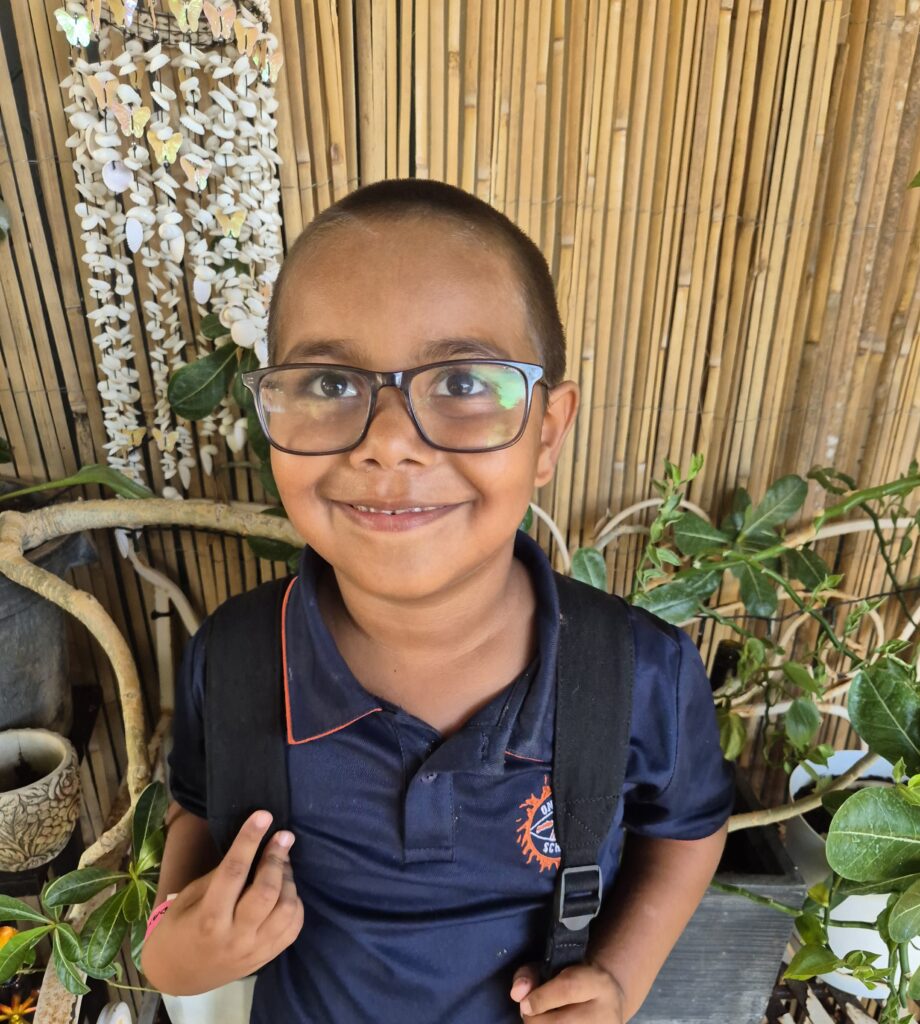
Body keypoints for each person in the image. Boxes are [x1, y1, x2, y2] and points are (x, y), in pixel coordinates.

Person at [141, 178, 735, 1023]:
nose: (389, 442)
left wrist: (622, 978)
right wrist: (174, 948)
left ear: (548, 433)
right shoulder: (236, 657)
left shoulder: (636, 672)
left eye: (461, 381)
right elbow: (197, 828)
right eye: (329, 383)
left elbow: (688, 829)